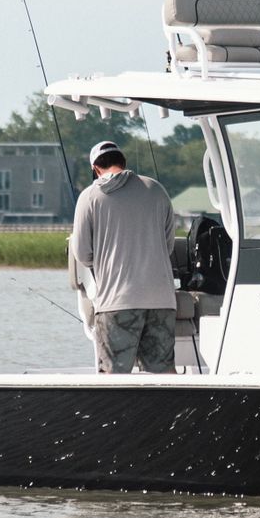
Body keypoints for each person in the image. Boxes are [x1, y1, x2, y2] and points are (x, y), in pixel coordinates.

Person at [68, 140, 177, 373]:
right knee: (164, 374)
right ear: (123, 163)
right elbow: (168, 246)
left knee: (113, 377)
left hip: (117, 301)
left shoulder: (89, 197)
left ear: (95, 169)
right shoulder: (156, 189)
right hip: (162, 300)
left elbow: (82, 253)